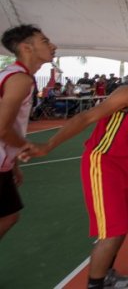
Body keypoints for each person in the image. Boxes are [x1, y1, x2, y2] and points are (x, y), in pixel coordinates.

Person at [22, 48, 128, 289]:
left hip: (124, 164)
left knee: (123, 224)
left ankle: (107, 274)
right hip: (102, 162)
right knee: (112, 230)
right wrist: (48, 146)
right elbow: (85, 118)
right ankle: (95, 284)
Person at [0, 25, 57, 241]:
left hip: (3, 162)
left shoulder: (16, 76)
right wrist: (26, 146)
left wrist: (12, 163)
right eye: (45, 41)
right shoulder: (19, 79)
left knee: (9, 216)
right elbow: (2, 128)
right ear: (26, 48)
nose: (53, 46)